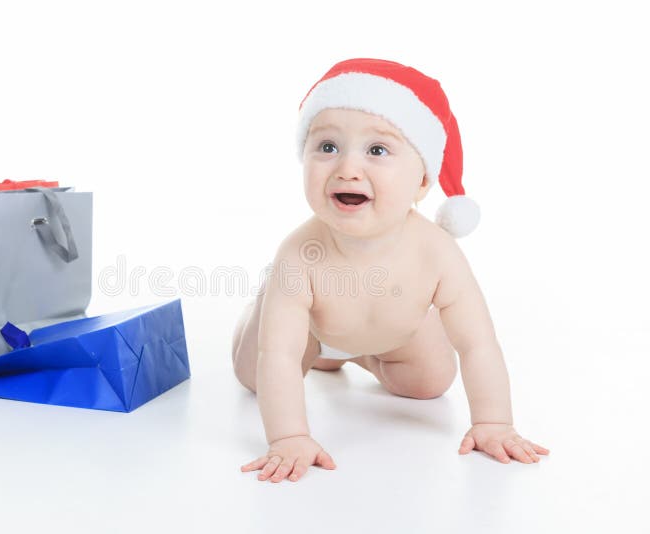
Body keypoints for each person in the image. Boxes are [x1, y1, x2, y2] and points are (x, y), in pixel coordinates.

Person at [231, 58, 549, 483]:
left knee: (431, 380)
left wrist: (494, 422)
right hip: (305, 328)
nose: (346, 167)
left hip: (392, 334)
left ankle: (359, 353)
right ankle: (277, 310)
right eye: (327, 147)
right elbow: (280, 356)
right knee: (256, 372)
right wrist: (288, 437)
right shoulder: (298, 254)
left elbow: (477, 343)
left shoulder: (436, 252)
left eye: (377, 150)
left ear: (422, 182)